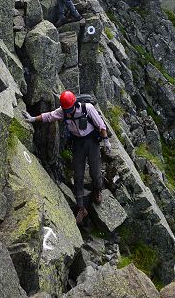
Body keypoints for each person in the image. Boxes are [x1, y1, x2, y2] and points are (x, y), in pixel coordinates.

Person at [23, 90, 112, 224]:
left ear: (74, 104)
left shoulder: (87, 108)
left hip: (91, 141)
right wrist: (33, 119)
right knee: (78, 174)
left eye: (70, 109)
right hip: (77, 143)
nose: (68, 112)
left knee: (95, 170)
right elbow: (49, 116)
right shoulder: (63, 111)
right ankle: (81, 207)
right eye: (66, 110)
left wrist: (106, 140)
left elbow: (101, 124)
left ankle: (97, 189)